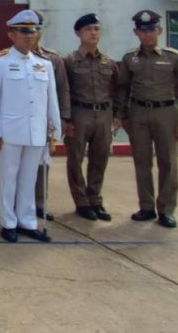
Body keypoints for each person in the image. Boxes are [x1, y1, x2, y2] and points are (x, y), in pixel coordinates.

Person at [116, 9, 178, 228]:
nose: (147, 34)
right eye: (143, 30)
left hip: (166, 112)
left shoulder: (175, 57)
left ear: (160, 30)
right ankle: (146, 207)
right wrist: (122, 115)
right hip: (138, 113)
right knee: (141, 161)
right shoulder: (130, 58)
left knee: (168, 162)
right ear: (136, 33)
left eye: (151, 29)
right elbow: (122, 88)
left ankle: (166, 210)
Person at [0, 9, 61, 243]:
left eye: (32, 32)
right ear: (12, 35)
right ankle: (8, 222)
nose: (29, 37)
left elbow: (51, 99)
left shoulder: (44, 64)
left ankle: (27, 221)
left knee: (29, 178)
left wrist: (54, 129)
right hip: (10, 132)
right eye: (23, 32)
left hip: (36, 131)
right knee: (8, 178)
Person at [63, 13, 120, 221]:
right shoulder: (69, 61)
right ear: (78, 33)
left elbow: (118, 89)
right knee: (75, 159)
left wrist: (118, 115)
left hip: (103, 115)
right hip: (80, 113)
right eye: (88, 29)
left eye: (96, 29)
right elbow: (64, 91)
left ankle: (95, 199)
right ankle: (81, 202)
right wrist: (66, 119)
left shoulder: (108, 62)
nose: (93, 33)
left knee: (100, 158)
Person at [31, 10, 71, 222]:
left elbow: (62, 89)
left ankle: (40, 203)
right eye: (26, 30)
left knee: (42, 163)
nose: (31, 34)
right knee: (17, 165)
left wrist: (63, 118)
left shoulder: (52, 59)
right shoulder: (6, 58)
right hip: (20, 120)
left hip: (43, 119)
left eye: (35, 29)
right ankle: (19, 203)